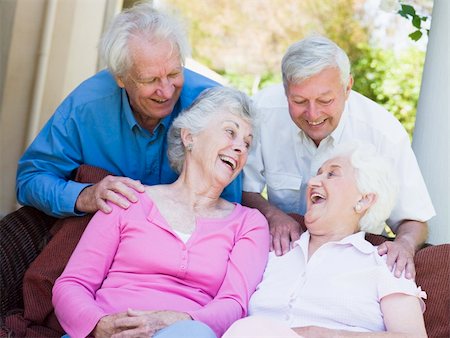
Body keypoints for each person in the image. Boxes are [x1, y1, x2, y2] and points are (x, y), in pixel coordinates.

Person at [52, 86, 270, 338]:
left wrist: (180, 321)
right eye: (230, 132)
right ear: (190, 137)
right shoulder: (129, 199)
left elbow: (234, 304)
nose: (240, 148)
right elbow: (72, 284)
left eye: (247, 143)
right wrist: (100, 325)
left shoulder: (249, 223)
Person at [16, 1, 242, 219]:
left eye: (173, 74)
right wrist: (85, 196)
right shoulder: (85, 107)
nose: (166, 91)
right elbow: (30, 178)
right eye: (151, 80)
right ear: (120, 78)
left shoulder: (214, 108)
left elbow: (231, 205)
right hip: (99, 229)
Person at [242, 35, 435, 278]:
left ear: (347, 88)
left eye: (325, 100)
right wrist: (272, 215)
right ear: (285, 91)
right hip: (283, 254)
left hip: (351, 265)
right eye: (299, 101)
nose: (313, 114)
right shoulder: (262, 111)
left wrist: (404, 245)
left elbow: (414, 220)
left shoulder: (384, 133)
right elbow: (240, 187)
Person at [224, 143, 427, 338]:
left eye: (332, 174)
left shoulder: (386, 263)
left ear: (364, 199)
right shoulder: (273, 250)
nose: (312, 182)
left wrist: (321, 334)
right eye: (317, 174)